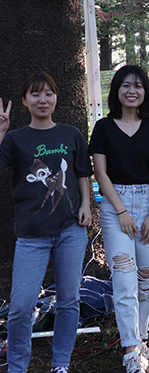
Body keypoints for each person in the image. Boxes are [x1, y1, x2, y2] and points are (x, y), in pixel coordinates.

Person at [0, 72, 92, 373]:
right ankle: (16, 367)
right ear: (25, 101)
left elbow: (81, 173)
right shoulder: (15, 139)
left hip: (70, 231)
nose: (43, 99)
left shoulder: (70, 134)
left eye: (49, 93)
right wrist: (0, 132)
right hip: (31, 236)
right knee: (20, 308)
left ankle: (60, 364)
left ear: (56, 98)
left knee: (68, 301)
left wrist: (86, 207)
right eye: (35, 94)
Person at [89, 65, 149, 373]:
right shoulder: (104, 127)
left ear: (145, 92)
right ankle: (130, 350)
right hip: (114, 205)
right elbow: (100, 173)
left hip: (148, 202)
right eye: (126, 86)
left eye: (138, 86)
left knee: (146, 278)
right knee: (124, 278)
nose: (132, 91)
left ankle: (141, 337)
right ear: (117, 91)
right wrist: (120, 211)